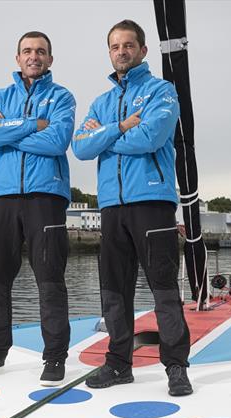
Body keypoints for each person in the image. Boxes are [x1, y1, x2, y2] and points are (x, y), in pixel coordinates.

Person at [72, 19, 192, 396]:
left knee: (163, 289)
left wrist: (106, 136)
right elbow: (81, 146)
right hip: (112, 206)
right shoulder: (101, 102)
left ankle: (176, 367)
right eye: (114, 46)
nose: (121, 51)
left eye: (128, 45)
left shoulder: (162, 91)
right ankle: (119, 364)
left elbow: (152, 136)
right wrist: (119, 127)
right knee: (114, 291)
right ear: (109, 52)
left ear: (142, 50)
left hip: (152, 201)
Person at [0, 31, 75, 387]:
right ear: (17, 58)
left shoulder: (62, 97)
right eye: (27, 51)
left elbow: (57, 140)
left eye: (41, 51)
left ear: (50, 59)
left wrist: (7, 128)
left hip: (46, 196)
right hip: (2, 196)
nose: (34, 56)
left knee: (50, 279)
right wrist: (31, 125)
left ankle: (55, 356)